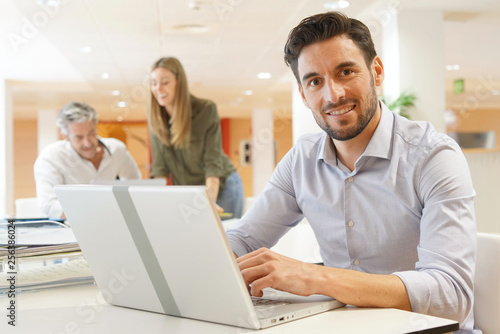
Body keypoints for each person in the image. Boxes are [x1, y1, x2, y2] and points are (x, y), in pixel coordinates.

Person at [226, 12, 479, 333]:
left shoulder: (433, 156)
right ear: (303, 95)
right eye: (315, 81)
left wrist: (316, 277)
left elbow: (451, 294)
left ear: (376, 71)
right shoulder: (301, 160)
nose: (333, 95)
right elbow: (243, 239)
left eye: (345, 72)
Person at [148, 57, 244, 218]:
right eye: (153, 83)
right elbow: (160, 169)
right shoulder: (156, 120)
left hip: (222, 186)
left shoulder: (205, 110)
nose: (158, 88)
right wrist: (156, 206)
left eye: (165, 82)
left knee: (227, 240)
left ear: (179, 83)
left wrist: (210, 202)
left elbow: (212, 163)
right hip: (191, 193)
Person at [34, 102, 141, 218]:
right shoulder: (51, 157)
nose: (88, 143)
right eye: (79, 137)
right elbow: (48, 205)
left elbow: (137, 187)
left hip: (114, 222)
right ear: (65, 136)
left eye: (91, 134)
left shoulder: (117, 150)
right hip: (71, 227)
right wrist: (88, 210)